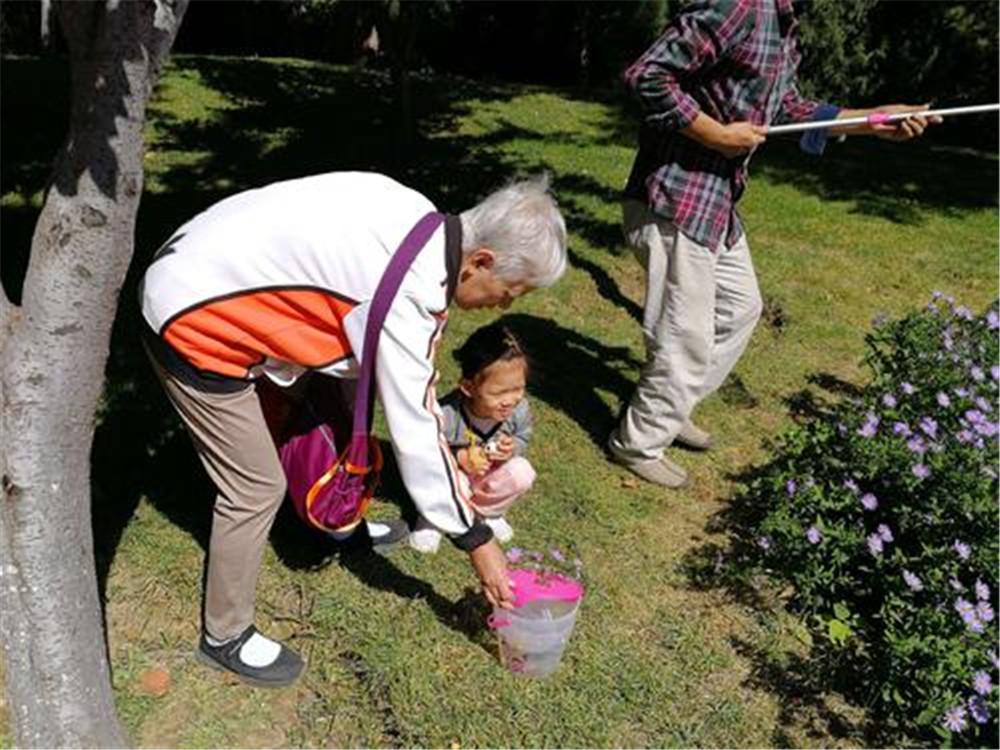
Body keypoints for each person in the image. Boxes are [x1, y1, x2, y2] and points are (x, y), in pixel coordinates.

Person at [139, 171, 567, 687]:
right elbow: (419, 428)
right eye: (508, 292)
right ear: (480, 262)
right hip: (191, 315)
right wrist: (476, 538)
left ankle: (336, 520)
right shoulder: (409, 299)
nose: (505, 306)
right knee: (255, 486)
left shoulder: (416, 212)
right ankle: (225, 634)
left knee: (340, 397)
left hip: (200, 261)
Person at [607, 0, 940, 489]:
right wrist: (715, 134)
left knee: (741, 308)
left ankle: (669, 410)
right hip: (675, 199)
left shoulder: (783, 24)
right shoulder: (738, 6)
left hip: (715, 205)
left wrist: (874, 119)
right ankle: (637, 443)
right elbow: (647, 75)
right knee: (685, 336)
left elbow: (785, 109)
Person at [409, 321, 536, 553]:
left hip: (487, 475)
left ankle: (487, 513)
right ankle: (433, 518)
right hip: (453, 477)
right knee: (449, 477)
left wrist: (512, 449)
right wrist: (459, 456)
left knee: (522, 471)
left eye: (519, 389)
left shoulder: (519, 410)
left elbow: (523, 436)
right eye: (499, 393)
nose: (510, 400)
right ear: (468, 387)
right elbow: (425, 453)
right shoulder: (447, 414)